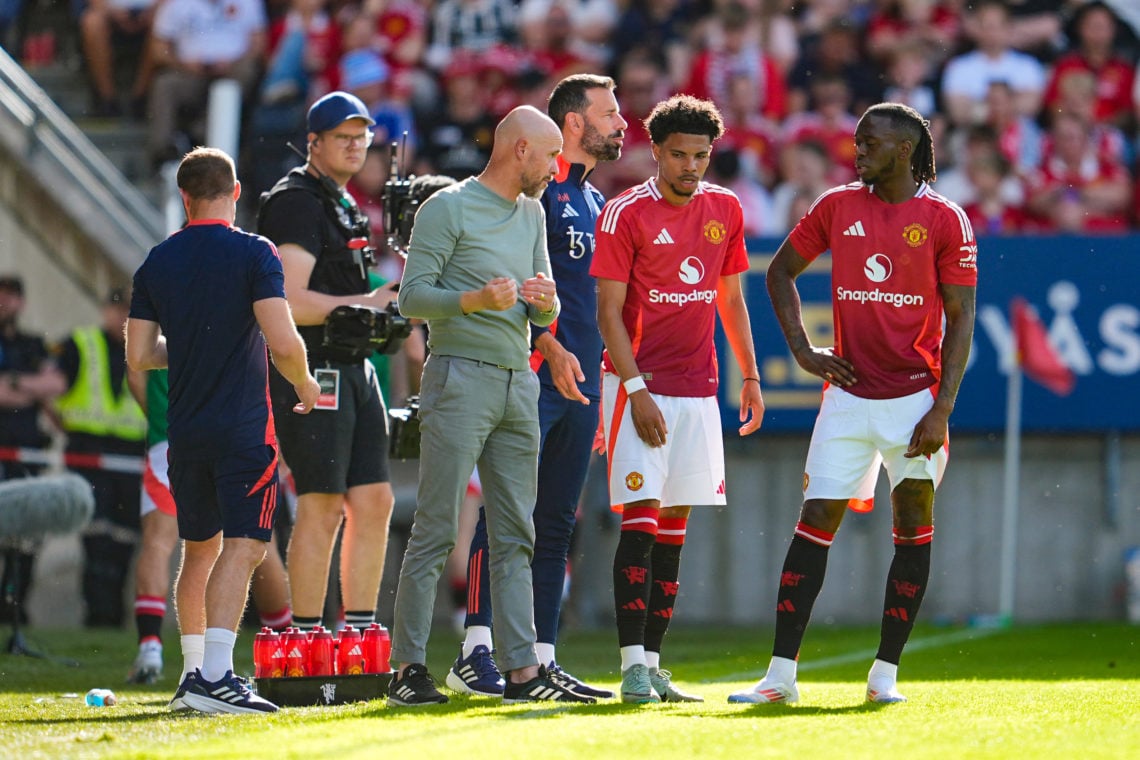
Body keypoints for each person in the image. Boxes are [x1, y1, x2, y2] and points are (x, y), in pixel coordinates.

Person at [728, 102, 977, 706]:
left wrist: (941, 407)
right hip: (845, 398)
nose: (856, 152)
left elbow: (962, 315)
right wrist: (804, 350)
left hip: (914, 402)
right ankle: (779, 677)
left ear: (904, 150)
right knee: (813, 526)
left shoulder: (946, 219)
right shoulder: (838, 206)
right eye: (857, 143)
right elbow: (779, 272)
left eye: (868, 143)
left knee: (913, 527)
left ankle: (884, 677)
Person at [389, 105, 592, 706]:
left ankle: (524, 674)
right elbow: (411, 300)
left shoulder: (532, 213)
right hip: (459, 379)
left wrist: (545, 304)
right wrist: (476, 299)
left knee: (516, 535)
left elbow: (544, 312)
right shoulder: (446, 207)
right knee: (435, 528)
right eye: (553, 154)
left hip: (517, 382)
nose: (559, 167)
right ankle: (407, 670)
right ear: (520, 150)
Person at [449, 73, 626, 700]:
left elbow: (594, 309)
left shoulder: (595, 203)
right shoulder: (528, 197)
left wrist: (606, 383)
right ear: (573, 123)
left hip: (580, 384)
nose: (620, 123)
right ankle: (475, 648)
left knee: (555, 523)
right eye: (609, 112)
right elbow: (498, 281)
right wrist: (542, 346)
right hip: (526, 377)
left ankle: (540, 661)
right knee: (504, 518)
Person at [126, 146, 320, 714]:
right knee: (246, 547)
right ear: (236, 193)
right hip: (242, 429)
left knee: (198, 550)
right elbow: (282, 342)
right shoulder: (255, 251)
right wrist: (306, 384)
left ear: (184, 198)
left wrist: (189, 349)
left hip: (182, 432)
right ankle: (215, 677)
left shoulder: (157, 260)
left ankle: (191, 678)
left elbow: (139, 356)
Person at [590, 94, 764, 704]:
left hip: (700, 391)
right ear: (656, 153)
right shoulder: (624, 213)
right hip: (639, 387)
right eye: (679, 155)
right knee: (639, 525)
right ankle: (631, 665)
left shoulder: (725, 208)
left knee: (673, 531)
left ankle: (655, 664)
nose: (691, 166)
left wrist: (749, 376)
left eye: (701, 155)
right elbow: (608, 313)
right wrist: (635, 390)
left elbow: (731, 300)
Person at [257, 91, 397, 635]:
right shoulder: (297, 200)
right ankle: (305, 638)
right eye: (343, 136)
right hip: (314, 368)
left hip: (354, 365)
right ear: (312, 143)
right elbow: (287, 301)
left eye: (362, 136)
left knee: (375, 499)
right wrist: (369, 304)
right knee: (321, 503)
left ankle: (359, 632)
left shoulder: (342, 199)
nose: (356, 145)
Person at [124, 368, 294, 685]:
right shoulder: (233, 316)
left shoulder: (164, 317)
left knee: (168, 545)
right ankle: (284, 649)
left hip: (174, 439)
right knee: (254, 544)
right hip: (237, 436)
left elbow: (135, 369)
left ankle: (158, 650)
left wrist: (162, 418)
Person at [53, 287, 146, 628]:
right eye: (116, 308)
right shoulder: (80, 343)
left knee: (124, 541)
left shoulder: (149, 347)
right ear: (105, 309)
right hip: (88, 455)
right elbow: (52, 389)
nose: (122, 317)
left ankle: (113, 617)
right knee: (95, 543)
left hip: (131, 458)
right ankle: (97, 616)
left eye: (128, 310)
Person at [0, 275, 66, 626]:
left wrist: (13, 383)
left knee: (25, 537)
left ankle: (14, 608)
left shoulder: (32, 344)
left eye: (12, 296)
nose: (5, 303)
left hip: (27, 452)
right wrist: (30, 388)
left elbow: (54, 383)